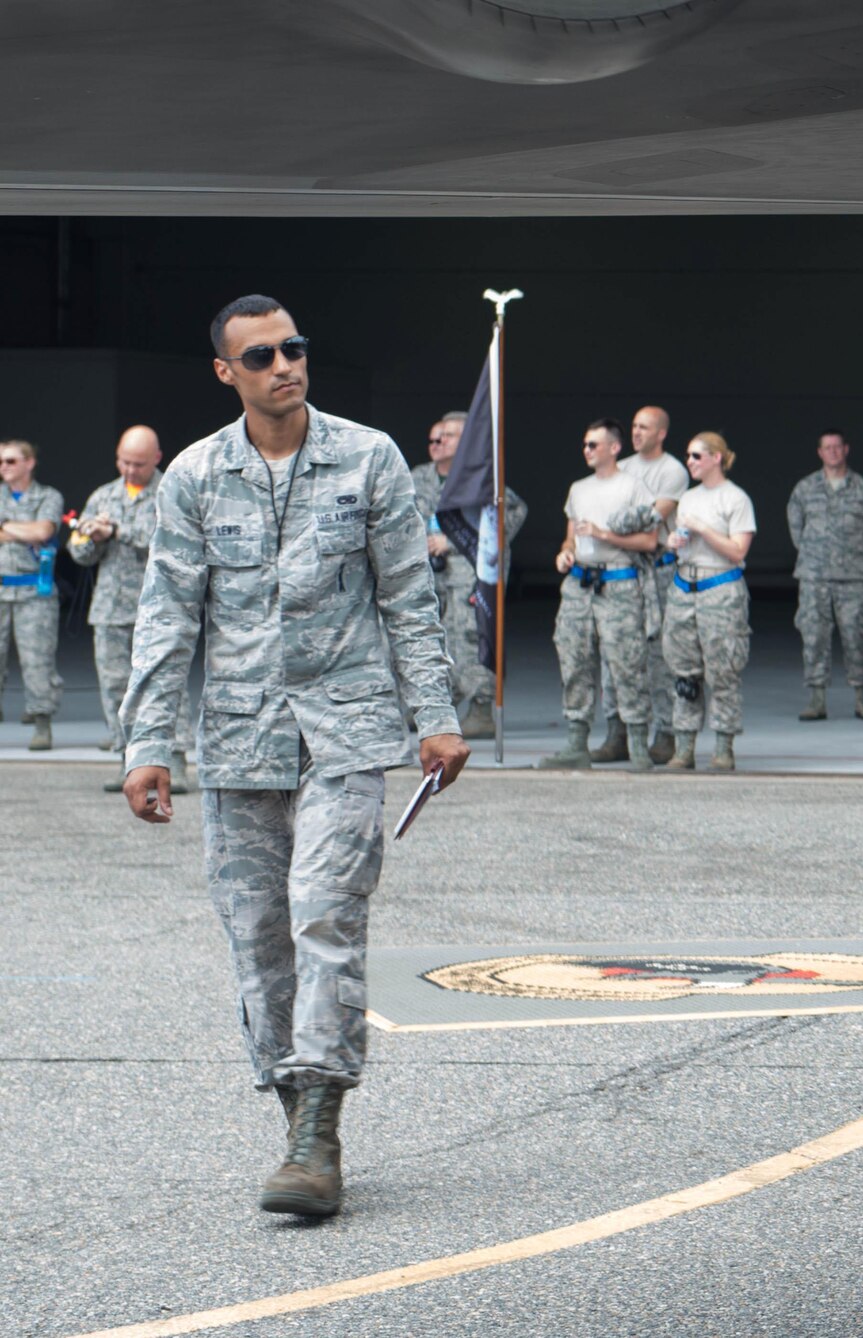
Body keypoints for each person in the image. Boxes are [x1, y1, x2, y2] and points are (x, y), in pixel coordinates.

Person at [120, 293, 469, 1219]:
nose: (286, 364)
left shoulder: (370, 458)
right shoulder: (194, 477)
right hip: (238, 744)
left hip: (347, 731)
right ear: (227, 372)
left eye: (295, 348)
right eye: (263, 354)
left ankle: (319, 1131)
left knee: (323, 913)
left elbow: (407, 596)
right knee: (260, 942)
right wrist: (147, 744)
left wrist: (435, 714)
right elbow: (166, 621)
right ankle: (294, 1112)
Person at [68, 425, 195, 791]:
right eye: (124, 462)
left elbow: (166, 540)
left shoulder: (170, 491)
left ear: (156, 459)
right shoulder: (103, 496)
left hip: (158, 609)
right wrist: (90, 538)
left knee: (167, 684)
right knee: (114, 686)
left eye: (138, 464)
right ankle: (126, 759)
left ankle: (175, 760)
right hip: (109, 609)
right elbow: (79, 553)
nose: (129, 470)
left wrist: (117, 531)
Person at [540, 418, 658, 771]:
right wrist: (565, 552)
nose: (587, 450)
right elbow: (571, 537)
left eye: (594, 444)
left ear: (614, 447)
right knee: (574, 660)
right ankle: (577, 742)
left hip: (619, 583)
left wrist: (605, 535)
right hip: (579, 584)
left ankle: (638, 744)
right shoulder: (579, 489)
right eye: (585, 445)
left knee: (627, 663)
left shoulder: (634, 487)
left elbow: (649, 541)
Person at [408, 410, 527, 740]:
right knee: (434, 638)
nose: (438, 442)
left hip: (468, 573)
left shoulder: (482, 479)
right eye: (435, 436)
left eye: (448, 436)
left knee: (471, 636)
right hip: (430, 575)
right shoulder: (418, 477)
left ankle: (481, 707)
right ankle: (441, 702)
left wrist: (462, 542)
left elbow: (513, 512)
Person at [599, 403, 688, 766]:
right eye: (634, 426)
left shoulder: (673, 471)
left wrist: (613, 522)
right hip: (624, 569)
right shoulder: (624, 468)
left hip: (660, 571)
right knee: (616, 650)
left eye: (644, 428)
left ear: (661, 433)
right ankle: (618, 730)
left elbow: (653, 518)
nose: (636, 433)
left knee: (660, 655)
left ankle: (664, 733)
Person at [662, 431, 756, 771]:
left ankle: (723, 748)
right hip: (685, 586)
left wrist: (702, 528)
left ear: (717, 457)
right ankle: (684, 747)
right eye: (688, 456)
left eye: (696, 456)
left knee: (723, 670)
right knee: (684, 671)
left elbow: (738, 550)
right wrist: (675, 540)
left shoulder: (736, 499)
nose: (689, 462)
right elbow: (685, 540)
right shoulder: (687, 498)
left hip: (721, 589)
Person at [787, 429, 863, 721]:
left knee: (857, 635)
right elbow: (795, 528)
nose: (832, 452)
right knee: (814, 636)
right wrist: (813, 555)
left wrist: (856, 557)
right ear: (819, 452)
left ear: (846, 450)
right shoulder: (804, 489)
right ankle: (816, 699)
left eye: (837, 447)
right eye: (826, 447)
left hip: (853, 577)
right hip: (814, 576)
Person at [0, 439, 63, 750]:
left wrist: (5, 527)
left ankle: (42, 721)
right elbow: (34, 530)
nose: (4, 467)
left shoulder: (48, 496)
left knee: (37, 659)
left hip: (34, 589)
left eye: (11, 461)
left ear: (29, 463)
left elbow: (43, 532)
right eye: (1, 461)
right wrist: (25, 528)